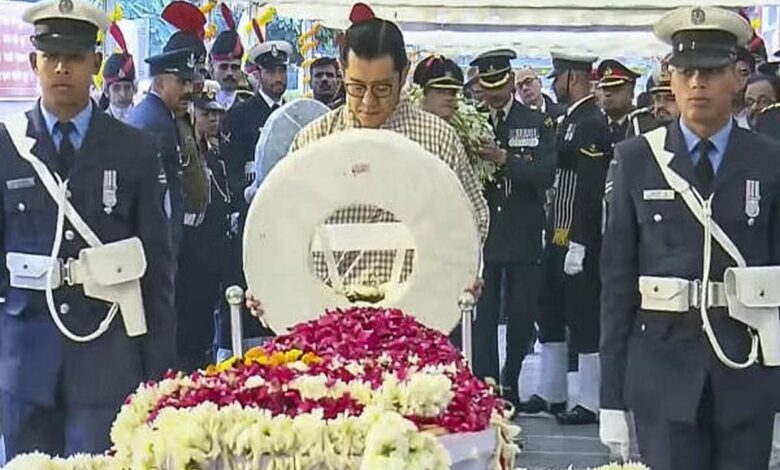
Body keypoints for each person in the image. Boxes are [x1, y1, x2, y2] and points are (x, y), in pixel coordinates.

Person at [601, 7, 780, 469]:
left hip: (747, 372)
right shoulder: (637, 159)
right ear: (671, 78)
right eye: (686, 72)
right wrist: (610, 397)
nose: (698, 83)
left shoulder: (769, 161)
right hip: (663, 375)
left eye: (712, 71)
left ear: (738, 78)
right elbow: (618, 283)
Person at [0, 0, 174, 457]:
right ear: (33, 62)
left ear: (96, 63)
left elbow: (157, 270)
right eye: (51, 56)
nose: (62, 68)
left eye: (75, 57)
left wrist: (158, 373)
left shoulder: (135, 149)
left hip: (107, 364)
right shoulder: (7, 147)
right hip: (24, 367)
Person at [245, 4, 488, 319]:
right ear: (342, 72)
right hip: (328, 318)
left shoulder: (437, 141)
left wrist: (465, 269)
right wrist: (269, 283)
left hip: (416, 318)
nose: (368, 102)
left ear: (404, 75)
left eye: (382, 88)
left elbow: (472, 218)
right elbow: (282, 223)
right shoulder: (314, 141)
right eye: (356, 88)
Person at [522, 49, 612, 426]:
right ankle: (552, 391)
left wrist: (581, 240)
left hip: (578, 238)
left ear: (573, 77)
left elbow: (590, 189)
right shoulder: (569, 119)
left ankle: (590, 400)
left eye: (558, 77)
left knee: (583, 318)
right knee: (550, 311)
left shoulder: (591, 122)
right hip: (557, 234)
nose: (555, 84)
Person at [467, 49, 556, 407]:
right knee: (484, 314)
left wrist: (505, 159)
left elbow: (545, 174)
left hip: (523, 228)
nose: (493, 94)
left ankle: (512, 377)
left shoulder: (535, 122)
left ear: (510, 81)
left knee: (521, 312)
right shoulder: (470, 121)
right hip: (485, 231)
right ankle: (487, 384)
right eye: (486, 86)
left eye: (499, 84)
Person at [216, 38, 294, 357]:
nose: (278, 78)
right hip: (251, 212)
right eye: (271, 72)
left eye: (282, 71)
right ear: (257, 75)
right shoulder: (239, 116)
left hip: (286, 216)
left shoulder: (293, 115)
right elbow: (232, 169)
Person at [175, 81, 232, 370]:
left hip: (213, 246)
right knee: (191, 316)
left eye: (217, 113)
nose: (213, 119)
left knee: (209, 313)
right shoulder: (186, 152)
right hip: (191, 245)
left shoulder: (216, 152)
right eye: (206, 113)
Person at [126, 49, 195, 257]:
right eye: (181, 82)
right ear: (159, 83)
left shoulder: (158, 114)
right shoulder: (154, 122)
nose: (189, 90)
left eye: (190, 82)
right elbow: (155, 197)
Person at [209, 4, 249, 110]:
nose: (230, 73)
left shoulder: (249, 104)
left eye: (235, 67)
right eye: (223, 67)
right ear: (211, 67)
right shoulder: (200, 103)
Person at [597, 59, 640, 146]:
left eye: (615, 89)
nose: (608, 94)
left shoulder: (641, 124)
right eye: (605, 89)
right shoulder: (594, 124)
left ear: (631, 93)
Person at [100, 22, 135, 122]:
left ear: (134, 89)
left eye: (127, 87)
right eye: (116, 88)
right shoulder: (97, 125)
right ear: (106, 91)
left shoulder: (145, 122)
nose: (123, 94)